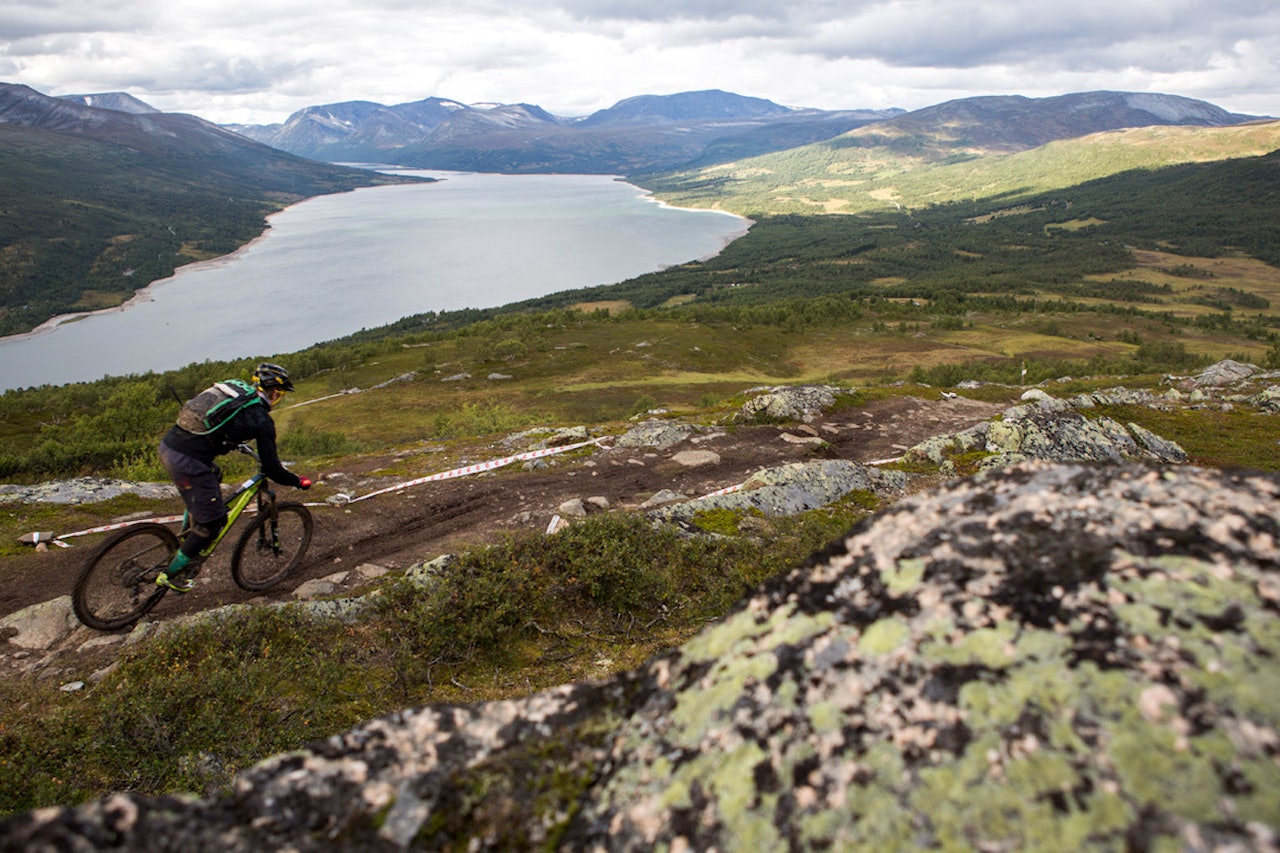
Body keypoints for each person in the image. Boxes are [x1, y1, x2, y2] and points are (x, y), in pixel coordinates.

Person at [156, 362, 312, 592]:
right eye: (278, 394)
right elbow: (272, 469)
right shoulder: (261, 420)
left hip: (169, 445)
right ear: (273, 393)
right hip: (187, 461)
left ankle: (191, 528)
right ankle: (171, 574)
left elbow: (216, 422)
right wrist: (297, 481)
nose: (277, 398)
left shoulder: (235, 391)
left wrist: (231, 441)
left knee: (215, 473)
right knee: (214, 522)